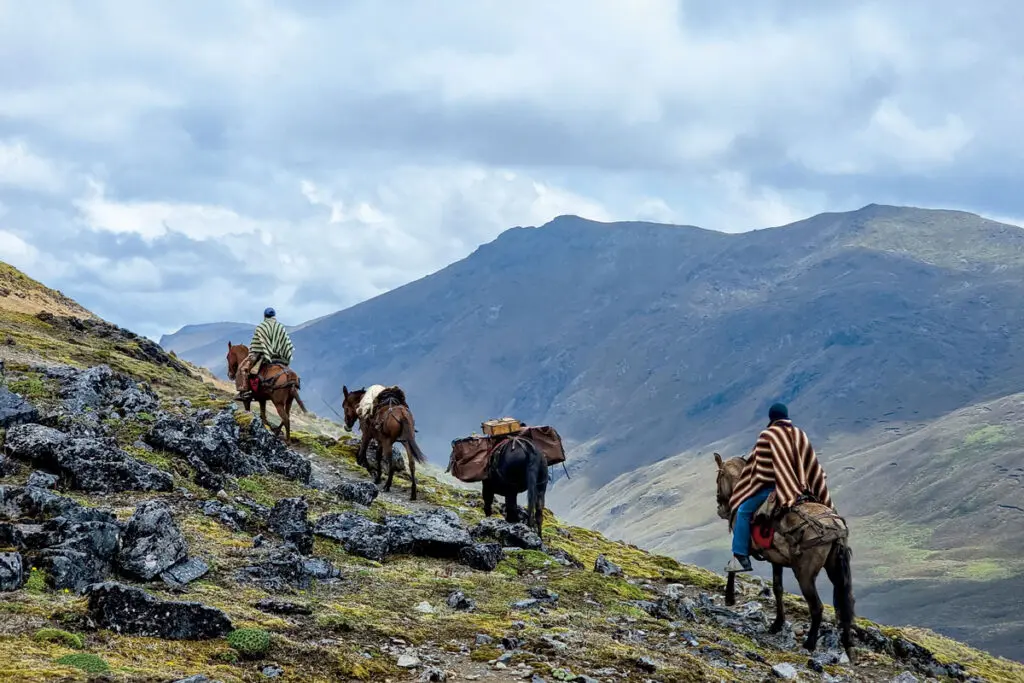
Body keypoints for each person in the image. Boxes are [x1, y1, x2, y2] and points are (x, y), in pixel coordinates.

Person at [725, 402, 833, 573]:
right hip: (802, 489)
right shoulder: (799, 434)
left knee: (743, 511)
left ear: (771, 418)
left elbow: (756, 467)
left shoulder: (767, 435)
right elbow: (809, 463)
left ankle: (741, 557)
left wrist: (759, 483)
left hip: (773, 490)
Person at [236, 307, 294, 400]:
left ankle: (246, 391)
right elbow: (285, 342)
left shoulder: (261, 327)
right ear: (274, 316)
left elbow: (257, 344)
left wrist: (259, 350)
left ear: (265, 316)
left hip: (263, 355)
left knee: (244, 369)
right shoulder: (280, 327)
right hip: (280, 356)